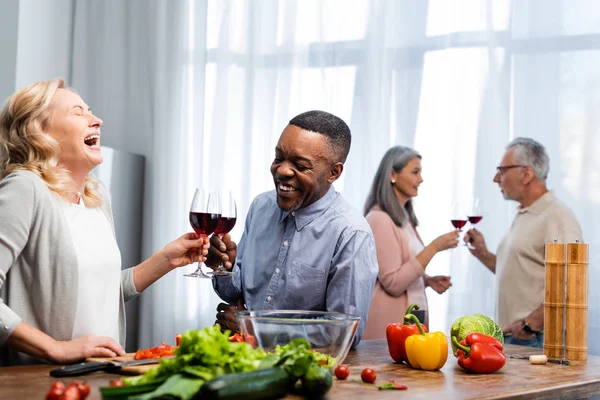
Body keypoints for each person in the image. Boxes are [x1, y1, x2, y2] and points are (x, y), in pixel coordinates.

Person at [0, 79, 209, 366]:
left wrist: (166, 259)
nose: (96, 120)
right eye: (78, 112)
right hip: (42, 381)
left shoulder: (95, 196)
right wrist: (56, 348)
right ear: (39, 131)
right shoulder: (25, 188)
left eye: (91, 111)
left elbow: (101, 294)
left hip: (101, 373)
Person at [207, 110, 378, 346]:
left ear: (333, 172)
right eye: (279, 158)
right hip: (244, 362)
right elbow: (236, 294)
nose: (282, 171)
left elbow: (343, 333)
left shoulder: (351, 234)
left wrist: (254, 330)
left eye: (299, 165)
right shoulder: (260, 207)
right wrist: (222, 267)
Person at [464, 138, 582, 347]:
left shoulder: (558, 217)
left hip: (534, 338)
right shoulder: (526, 214)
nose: (495, 178)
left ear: (526, 174)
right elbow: (520, 272)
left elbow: (573, 285)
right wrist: (483, 253)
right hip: (516, 336)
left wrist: (530, 325)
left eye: (502, 170)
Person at [362, 146, 459, 339]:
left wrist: (426, 280)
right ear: (392, 174)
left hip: (414, 318)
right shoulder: (379, 219)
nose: (421, 179)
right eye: (415, 172)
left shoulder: (404, 219)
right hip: (388, 328)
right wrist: (434, 247)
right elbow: (393, 283)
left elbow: (404, 268)